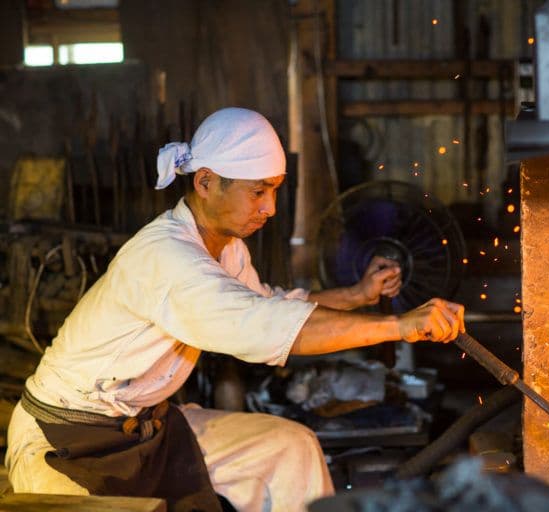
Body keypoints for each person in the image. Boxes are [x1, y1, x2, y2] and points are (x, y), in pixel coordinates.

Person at [4, 107, 465, 512]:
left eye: (276, 191)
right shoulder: (167, 257)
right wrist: (399, 326)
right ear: (205, 182)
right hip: (65, 437)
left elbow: (266, 306)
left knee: (291, 448)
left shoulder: (225, 249)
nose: (270, 208)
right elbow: (264, 329)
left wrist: (357, 295)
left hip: (145, 429)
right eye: (258, 191)